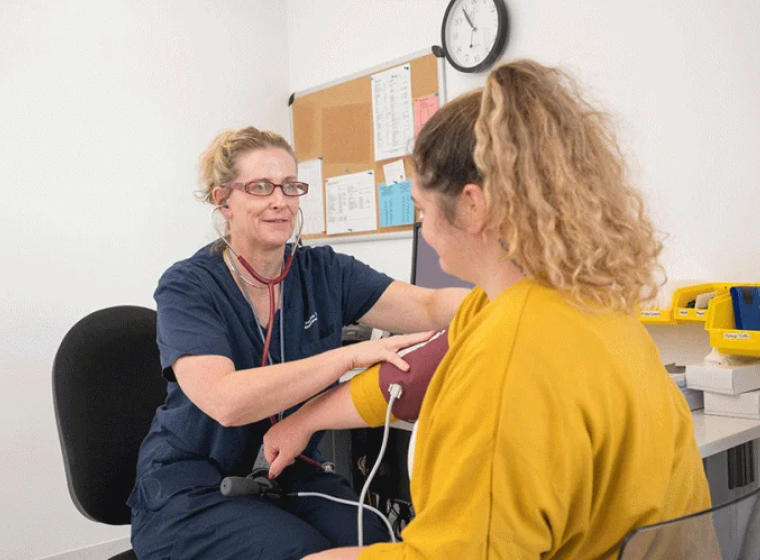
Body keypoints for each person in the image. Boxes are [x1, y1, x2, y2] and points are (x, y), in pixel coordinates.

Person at [262, 60, 712, 560]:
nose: (425, 231)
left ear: (473, 207)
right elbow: (417, 371)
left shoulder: (510, 361)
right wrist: (306, 417)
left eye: (421, 210)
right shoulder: (579, 297)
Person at [126, 126, 469, 560]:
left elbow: (429, 306)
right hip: (194, 486)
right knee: (299, 550)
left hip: (291, 472)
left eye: (290, 186)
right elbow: (226, 401)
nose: (280, 201)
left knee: (379, 541)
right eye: (261, 187)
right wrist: (345, 356)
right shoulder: (187, 287)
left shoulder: (324, 272)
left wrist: (514, 297)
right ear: (222, 200)